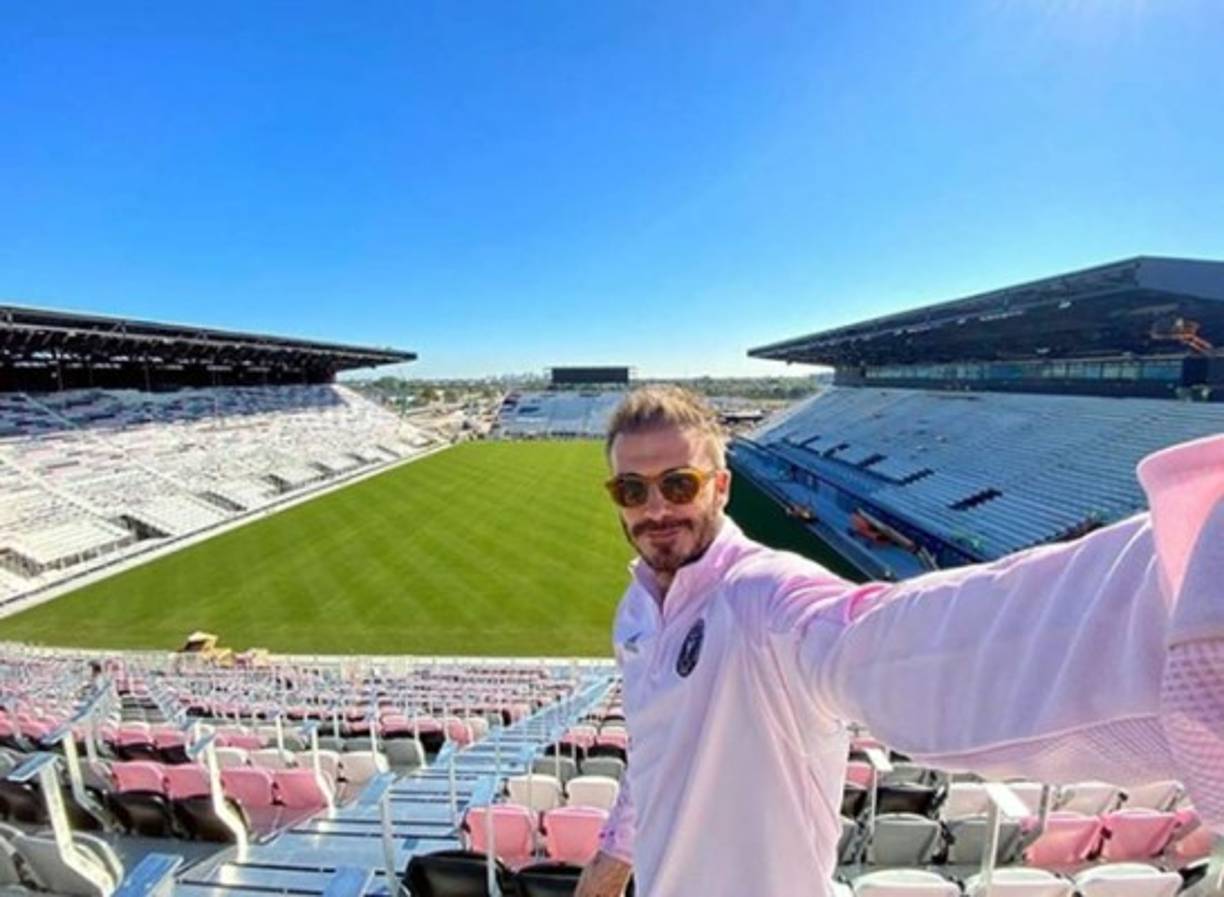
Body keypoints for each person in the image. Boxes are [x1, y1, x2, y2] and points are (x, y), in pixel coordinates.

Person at [575, 385, 1224, 897]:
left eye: (678, 483)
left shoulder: (764, 595)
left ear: (721, 485)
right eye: (632, 489)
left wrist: (1187, 580)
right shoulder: (636, 610)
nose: (655, 507)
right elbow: (653, 745)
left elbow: (900, 645)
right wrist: (614, 856)